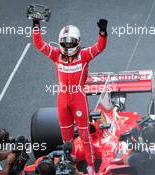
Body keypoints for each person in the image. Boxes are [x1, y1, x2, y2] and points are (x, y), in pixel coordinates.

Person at [32, 17, 108, 174]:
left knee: (84, 135)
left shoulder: (85, 55)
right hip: (62, 100)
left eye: (70, 42)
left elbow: (100, 47)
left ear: (78, 42)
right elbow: (39, 45)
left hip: (78, 99)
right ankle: (70, 166)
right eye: (64, 42)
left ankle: (90, 166)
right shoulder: (56, 55)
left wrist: (102, 32)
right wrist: (36, 25)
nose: (67, 45)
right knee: (67, 139)